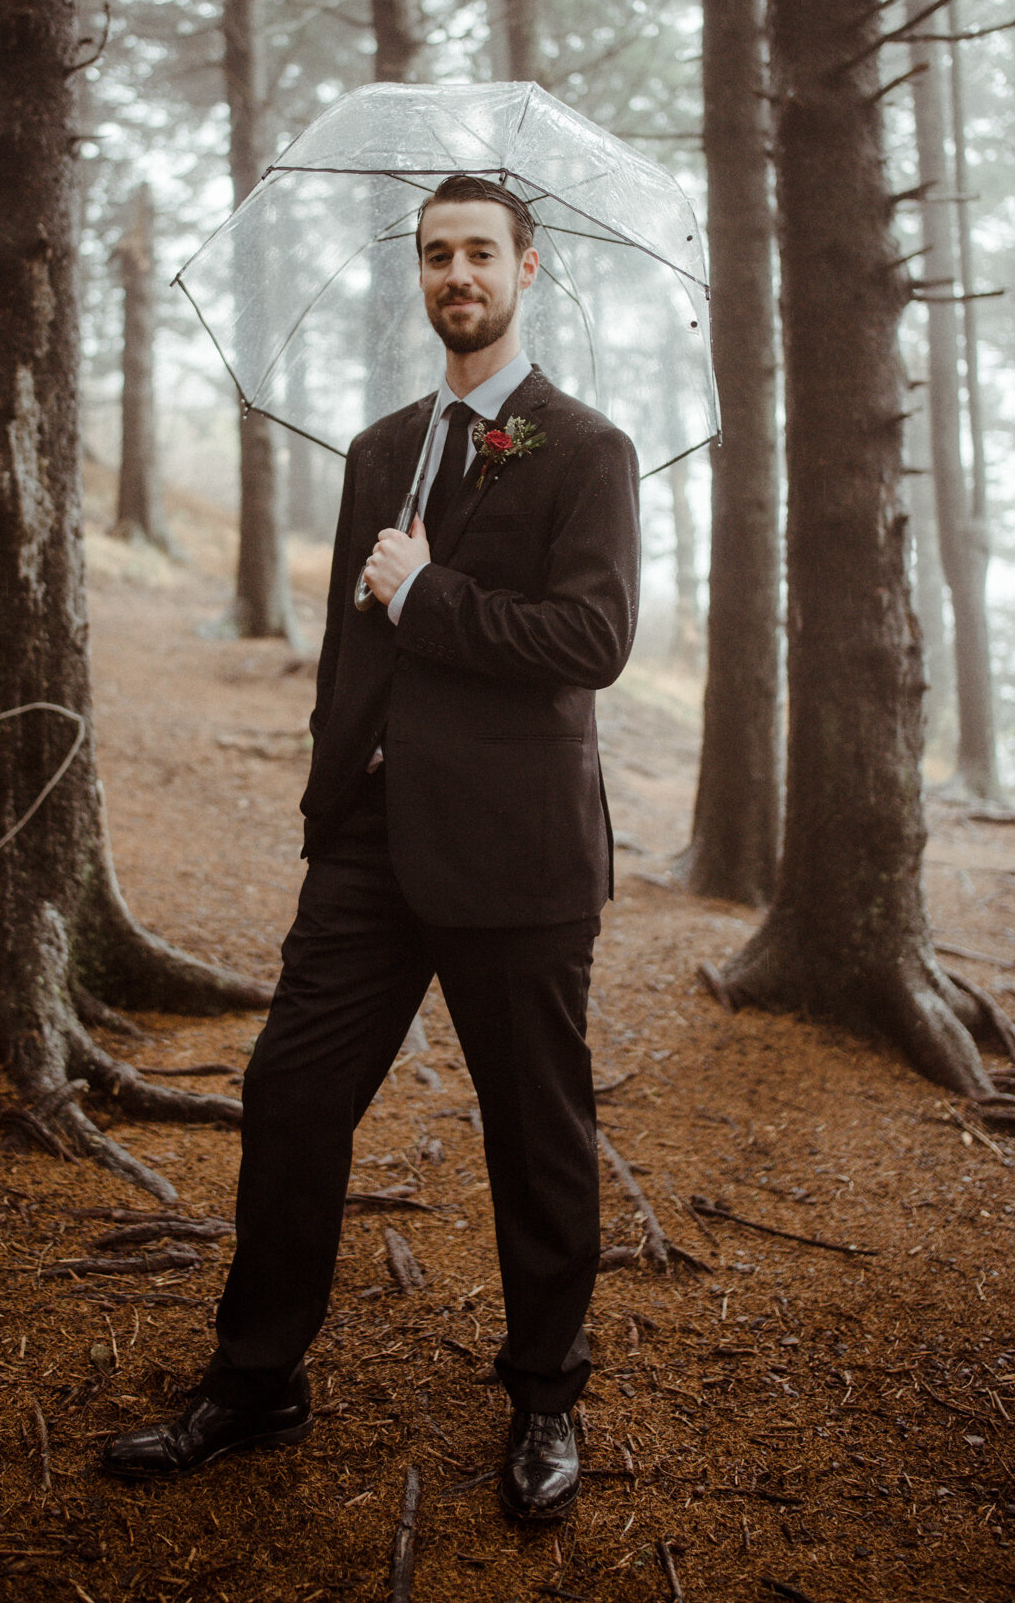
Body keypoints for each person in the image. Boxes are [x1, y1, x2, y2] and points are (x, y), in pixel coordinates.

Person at [103, 173, 640, 1521]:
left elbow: (592, 642)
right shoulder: (379, 447)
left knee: (536, 1133)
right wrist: (332, 774)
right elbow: (354, 639)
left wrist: (431, 592)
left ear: (528, 266)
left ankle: (545, 1400)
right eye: (434, 255)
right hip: (368, 849)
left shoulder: (585, 449)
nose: (456, 274)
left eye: (479, 252)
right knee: (289, 1096)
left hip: (517, 859)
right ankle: (257, 1375)